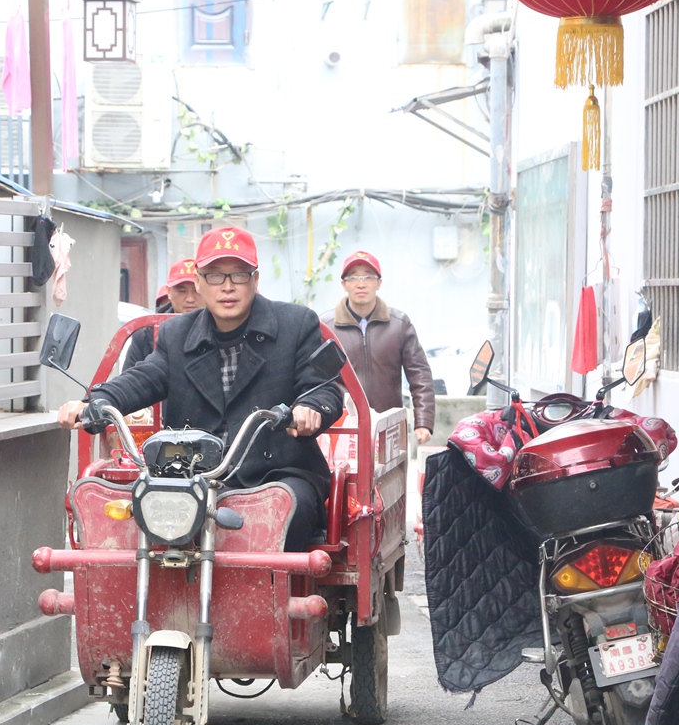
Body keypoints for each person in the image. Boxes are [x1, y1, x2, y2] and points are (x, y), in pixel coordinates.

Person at [59, 227, 342, 550]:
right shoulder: (176, 334)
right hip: (190, 476)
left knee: (284, 511)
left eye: (238, 275)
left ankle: (273, 598)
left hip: (276, 475)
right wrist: (97, 401)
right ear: (198, 281)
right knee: (133, 522)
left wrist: (310, 410)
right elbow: (144, 376)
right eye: (215, 276)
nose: (228, 287)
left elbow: (323, 389)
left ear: (255, 279)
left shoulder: (296, 324)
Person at [319, 250, 435, 445]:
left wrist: (423, 422)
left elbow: (419, 374)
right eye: (353, 277)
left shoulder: (399, 324)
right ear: (344, 284)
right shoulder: (326, 327)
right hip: (344, 429)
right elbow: (315, 379)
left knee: (390, 475)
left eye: (368, 277)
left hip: (388, 426)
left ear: (379, 283)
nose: (361, 283)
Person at [126, 258, 202, 369]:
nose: (190, 299)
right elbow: (131, 379)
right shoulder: (146, 334)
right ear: (169, 292)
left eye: (196, 290)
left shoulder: (222, 326)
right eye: (182, 291)